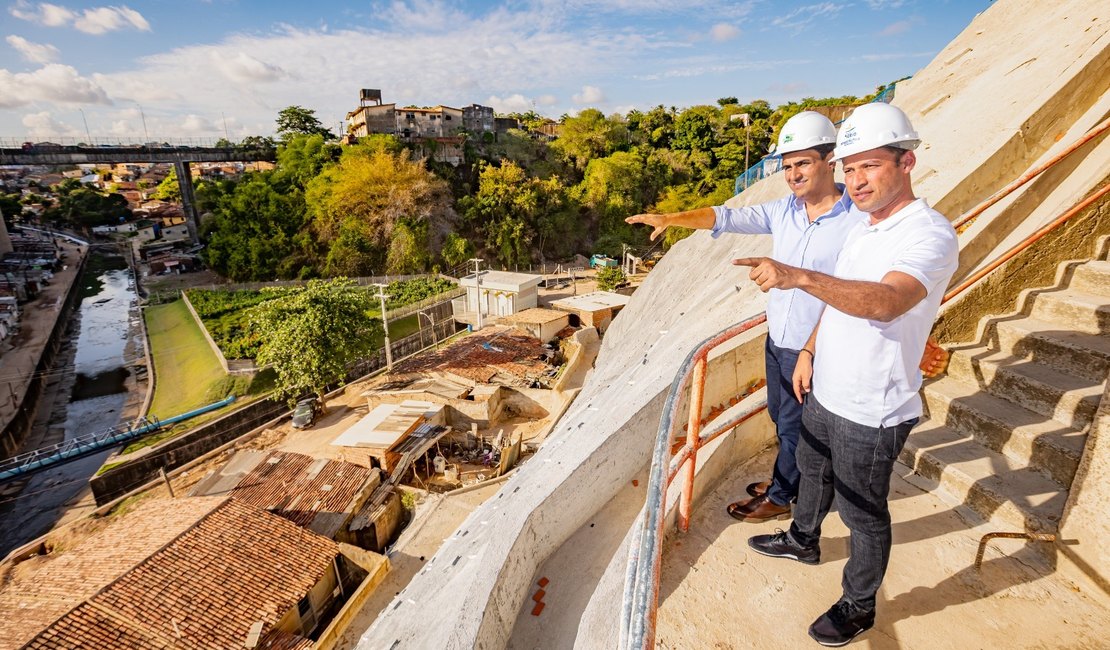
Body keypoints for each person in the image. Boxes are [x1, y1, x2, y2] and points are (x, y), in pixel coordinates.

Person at [736, 103, 958, 646]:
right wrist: (810, 350)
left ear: (906, 162)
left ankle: (858, 605)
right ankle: (803, 538)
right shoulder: (864, 228)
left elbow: (885, 303)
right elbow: (838, 302)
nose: (857, 180)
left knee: (863, 513)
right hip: (825, 389)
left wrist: (798, 276)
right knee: (811, 471)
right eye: (851, 168)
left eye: (871, 166)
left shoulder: (927, 234)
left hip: (872, 406)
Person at [626, 111, 863, 522]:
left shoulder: (856, 220)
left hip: (817, 346)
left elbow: (854, 290)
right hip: (779, 340)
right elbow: (724, 216)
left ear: (831, 160)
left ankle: (781, 495)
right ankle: (793, 482)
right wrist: (671, 219)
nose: (793, 174)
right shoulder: (784, 211)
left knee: (796, 428)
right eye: (787, 166)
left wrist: (811, 348)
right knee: (780, 416)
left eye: (803, 162)